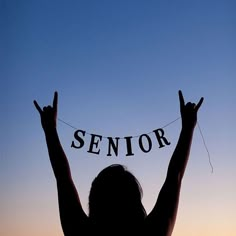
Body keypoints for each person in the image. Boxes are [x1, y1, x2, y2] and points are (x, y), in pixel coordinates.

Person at [34, 90, 203, 236]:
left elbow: (62, 177)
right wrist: (188, 128)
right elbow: (175, 177)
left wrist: (50, 130)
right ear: (135, 201)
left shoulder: (81, 232)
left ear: (94, 201)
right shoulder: (152, 233)